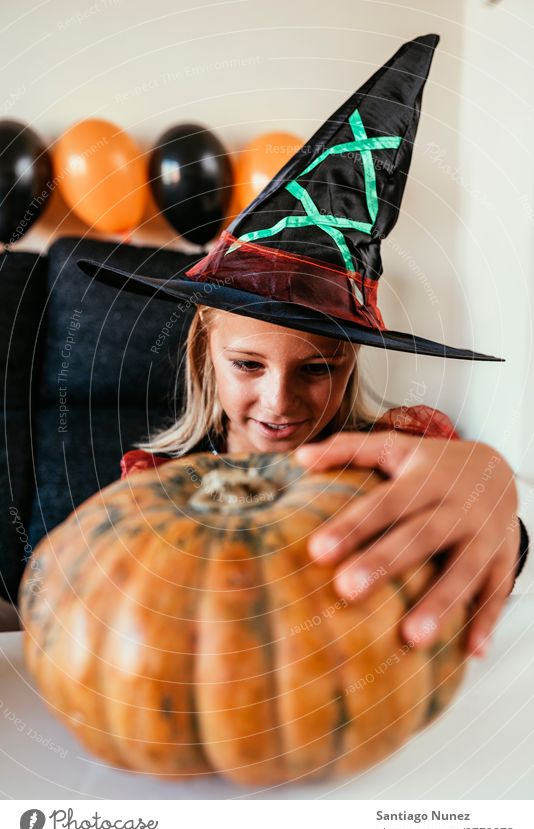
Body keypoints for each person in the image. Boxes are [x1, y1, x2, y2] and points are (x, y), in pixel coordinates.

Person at [79, 34, 528, 663]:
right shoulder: (155, 490)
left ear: (352, 361)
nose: (279, 401)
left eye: (318, 367)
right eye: (247, 364)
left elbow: (478, 558)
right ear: (205, 346)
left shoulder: (404, 460)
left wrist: (498, 500)